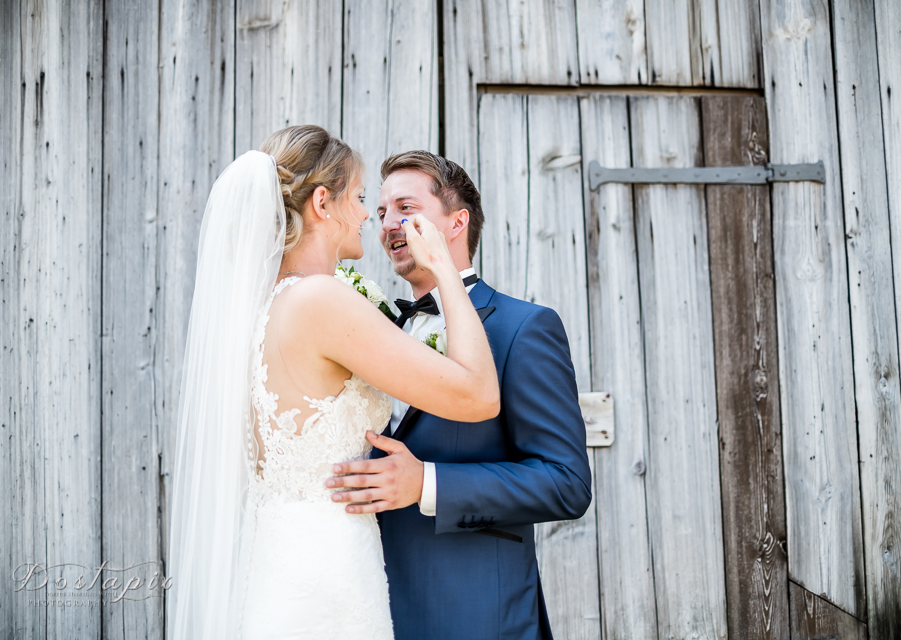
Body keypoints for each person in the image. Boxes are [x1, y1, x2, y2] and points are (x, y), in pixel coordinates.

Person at [165, 126, 499, 640]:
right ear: (323, 202)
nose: (370, 216)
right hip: (326, 569)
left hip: (275, 557)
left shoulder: (264, 305)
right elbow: (478, 395)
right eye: (362, 199)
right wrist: (446, 270)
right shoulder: (321, 300)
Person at [327, 151, 593, 639]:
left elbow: (566, 483)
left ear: (457, 221)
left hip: (475, 613)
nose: (387, 224)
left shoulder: (523, 329)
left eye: (405, 208)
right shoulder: (368, 328)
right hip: (366, 604)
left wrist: (427, 483)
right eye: (381, 212)